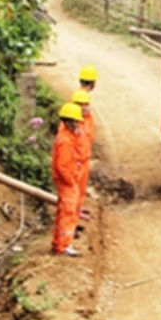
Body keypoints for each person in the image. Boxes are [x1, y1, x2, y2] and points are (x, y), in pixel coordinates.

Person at [51, 103, 86, 257]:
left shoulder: (65, 136)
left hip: (67, 180)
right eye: (76, 121)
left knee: (63, 211)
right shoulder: (65, 141)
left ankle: (58, 242)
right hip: (67, 182)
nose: (79, 124)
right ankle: (64, 246)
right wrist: (71, 180)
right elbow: (62, 165)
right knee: (68, 212)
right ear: (69, 121)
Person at [71, 88, 94, 223]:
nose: (86, 108)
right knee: (72, 194)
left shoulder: (86, 120)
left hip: (83, 161)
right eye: (82, 105)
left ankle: (77, 210)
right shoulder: (70, 126)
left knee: (80, 191)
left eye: (87, 104)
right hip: (76, 164)